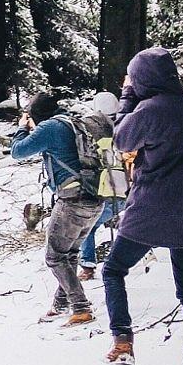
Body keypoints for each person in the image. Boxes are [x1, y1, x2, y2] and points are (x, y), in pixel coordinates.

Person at [102, 46, 183, 365]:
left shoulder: (148, 110)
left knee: (113, 270)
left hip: (149, 206)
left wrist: (126, 98)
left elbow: (121, 141)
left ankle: (122, 341)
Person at [9, 91, 108, 327]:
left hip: (73, 201)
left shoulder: (49, 128)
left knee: (54, 256)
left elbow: (17, 151)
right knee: (69, 254)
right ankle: (61, 304)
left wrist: (23, 128)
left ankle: (81, 307)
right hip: (94, 199)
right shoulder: (72, 124)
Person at [78, 91, 127, 279]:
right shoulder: (124, 128)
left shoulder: (92, 133)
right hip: (126, 190)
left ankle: (88, 266)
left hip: (105, 191)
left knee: (87, 226)